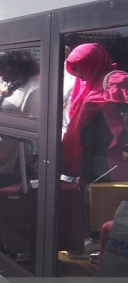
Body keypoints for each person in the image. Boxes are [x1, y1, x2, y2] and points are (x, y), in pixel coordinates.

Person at [0, 49, 40, 252]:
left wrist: (38, 156)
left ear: (13, 65)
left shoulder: (34, 87)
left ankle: (7, 246)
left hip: (15, 155)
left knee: (3, 201)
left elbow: (37, 127)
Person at [62, 43, 128, 184]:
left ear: (93, 62)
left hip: (111, 156)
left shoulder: (117, 80)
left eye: (80, 68)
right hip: (90, 155)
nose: (77, 74)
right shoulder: (85, 83)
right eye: (74, 69)